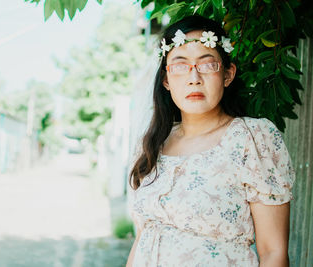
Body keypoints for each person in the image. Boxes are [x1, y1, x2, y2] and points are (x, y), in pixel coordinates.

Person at [126, 15, 295, 267]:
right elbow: (143, 238)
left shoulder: (252, 139)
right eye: (180, 66)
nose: (194, 78)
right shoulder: (152, 143)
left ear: (228, 75)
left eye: (207, 65)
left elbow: (273, 252)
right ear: (166, 80)